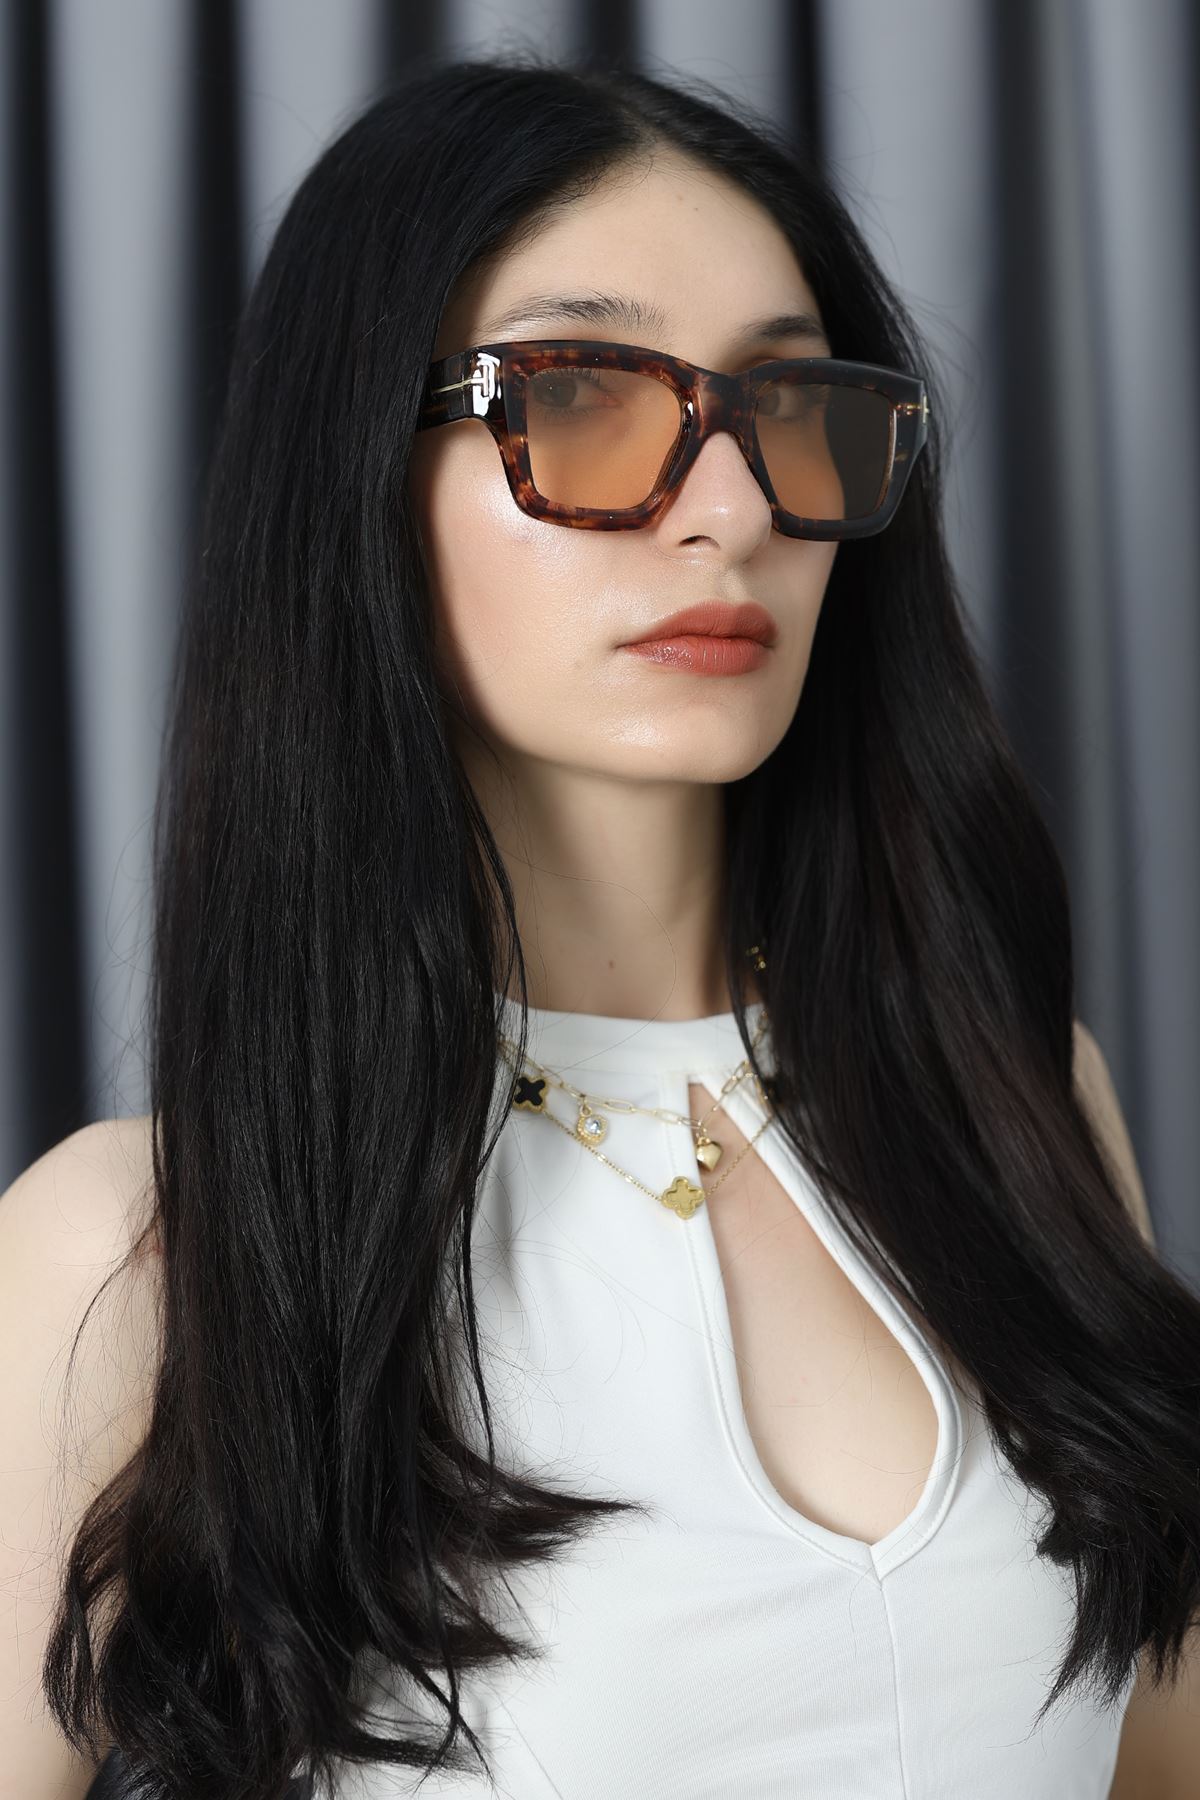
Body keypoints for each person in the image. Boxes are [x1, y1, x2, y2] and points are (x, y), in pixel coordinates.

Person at [3, 52, 1197, 1800]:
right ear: (357, 472)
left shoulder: (1018, 1110)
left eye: (794, 409)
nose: (734, 508)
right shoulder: (132, 1256)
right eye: (578, 400)